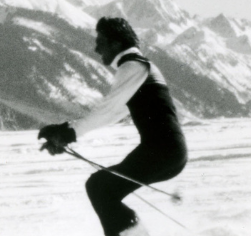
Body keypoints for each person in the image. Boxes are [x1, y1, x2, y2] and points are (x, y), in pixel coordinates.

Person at [38, 17, 188, 236]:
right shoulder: (140, 66)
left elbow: (107, 111)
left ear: (116, 43)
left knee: (100, 188)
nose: (96, 48)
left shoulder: (132, 67)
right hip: (167, 152)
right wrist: (66, 131)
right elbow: (114, 113)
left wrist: (67, 133)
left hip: (163, 152)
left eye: (101, 41)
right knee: (101, 188)